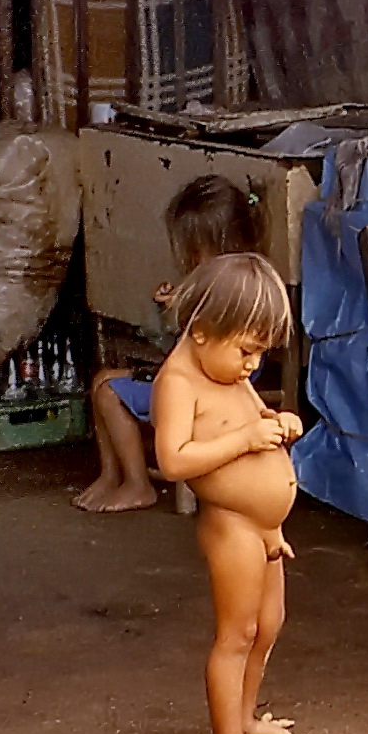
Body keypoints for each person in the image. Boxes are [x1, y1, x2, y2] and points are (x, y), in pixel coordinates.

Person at [151, 252, 304, 734]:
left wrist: (277, 421)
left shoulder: (228, 369)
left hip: (264, 526)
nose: (252, 365)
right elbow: (173, 460)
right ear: (200, 331)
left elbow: (251, 412)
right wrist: (246, 439)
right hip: (231, 526)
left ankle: (244, 720)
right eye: (246, 350)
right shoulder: (178, 382)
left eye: (259, 353)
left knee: (268, 626)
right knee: (236, 633)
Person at [75, 176, 265, 512]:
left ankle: (138, 484)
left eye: (195, 251)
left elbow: (214, 352)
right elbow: (172, 344)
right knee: (101, 379)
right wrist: (167, 312)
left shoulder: (236, 288)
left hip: (212, 385)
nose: (190, 260)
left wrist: (184, 310)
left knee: (109, 392)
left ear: (223, 245)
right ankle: (111, 474)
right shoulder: (219, 280)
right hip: (192, 377)